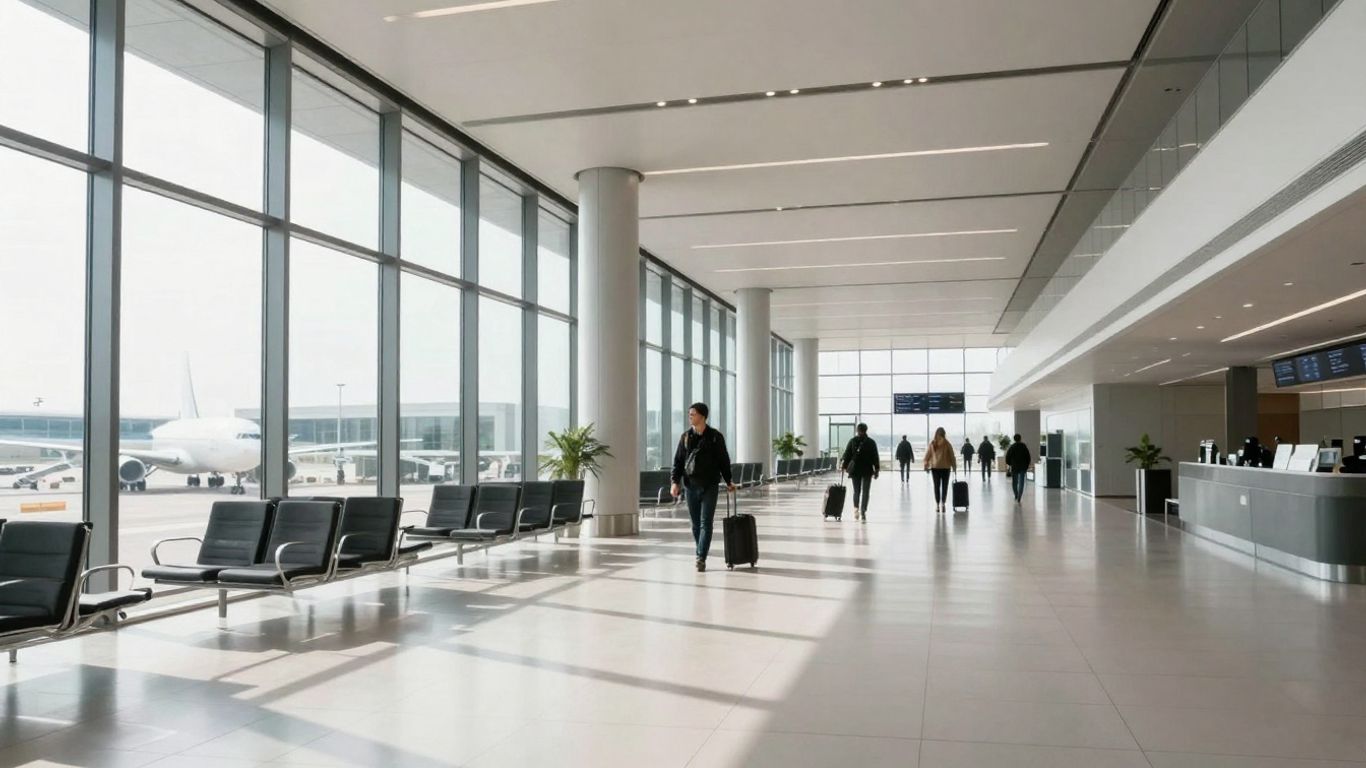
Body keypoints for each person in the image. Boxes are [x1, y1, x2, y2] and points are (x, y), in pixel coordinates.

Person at [670, 402, 735, 572]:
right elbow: (678, 461)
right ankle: (701, 551)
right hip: (690, 486)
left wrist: (729, 481)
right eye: (689, 414)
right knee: (696, 524)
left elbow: (724, 461)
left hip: (710, 486)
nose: (690, 416)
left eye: (693, 414)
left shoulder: (715, 437)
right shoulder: (685, 437)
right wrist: (674, 482)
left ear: (703, 416)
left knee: (706, 522)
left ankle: (701, 556)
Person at [840, 423, 879, 521]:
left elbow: (847, 454)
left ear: (857, 430)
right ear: (866, 430)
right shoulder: (871, 442)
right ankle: (863, 511)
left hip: (855, 470)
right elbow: (875, 457)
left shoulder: (853, 441)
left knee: (856, 491)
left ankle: (856, 509)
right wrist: (876, 469)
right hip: (867, 470)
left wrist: (844, 466)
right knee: (865, 491)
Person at [924, 427, 957, 512]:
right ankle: (943, 504)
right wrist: (954, 467)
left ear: (936, 434)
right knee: (944, 487)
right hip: (946, 468)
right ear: (944, 434)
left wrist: (926, 465)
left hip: (935, 468)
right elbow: (952, 456)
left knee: (936, 486)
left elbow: (927, 456)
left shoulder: (932, 443)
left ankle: (937, 505)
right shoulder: (947, 443)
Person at [1005, 433, 1033, 503]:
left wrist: (1010, 464)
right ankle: (1019, 496)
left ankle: (1016, 495)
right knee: (1021, 482)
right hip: (1023, 467)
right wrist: (1026, 465)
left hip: (1014, 467)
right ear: (1020, 439)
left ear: (1014, 439)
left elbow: (1007, 457)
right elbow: (1028, 457)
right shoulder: (1024, 446)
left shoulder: (1012, 447)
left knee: (1015, 482)